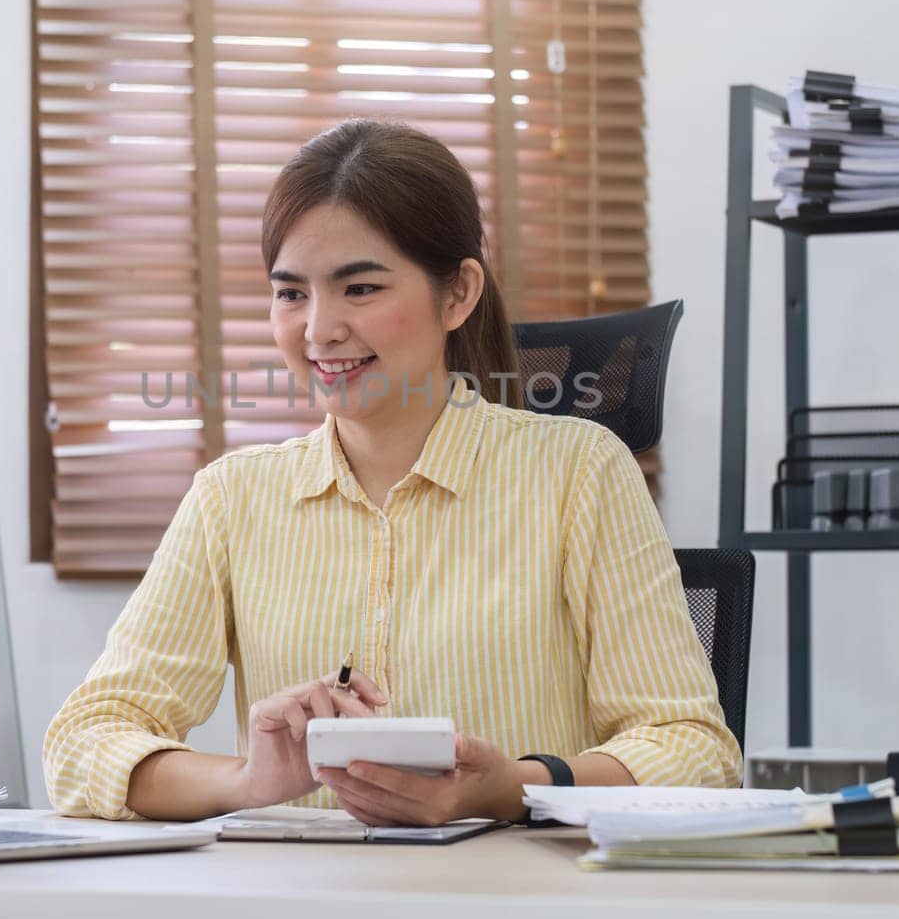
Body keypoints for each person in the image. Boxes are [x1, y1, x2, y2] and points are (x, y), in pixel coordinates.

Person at [44, 119, 742, 825]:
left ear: (457, 294)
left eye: (361, 288)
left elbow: (695, 751)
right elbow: (83, 741)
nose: (318, 329)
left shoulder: (580, 473)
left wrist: (504, 786)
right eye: (291, 293)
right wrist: (246, 780)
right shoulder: (232, 497)